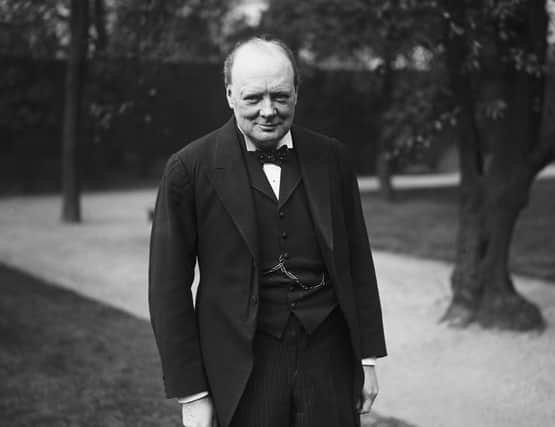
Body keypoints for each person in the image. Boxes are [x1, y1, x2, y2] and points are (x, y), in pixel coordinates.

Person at [149, 36, 387, 427]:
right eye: (253, 98)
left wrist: (366, 358)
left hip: (328, 359)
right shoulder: (188, 169)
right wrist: (191, 393)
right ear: (229, 95)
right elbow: (167, 289)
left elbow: (357, 262)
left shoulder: (332, 158)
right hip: (241, 368)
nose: (268, 111)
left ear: (297, 92)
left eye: (280, 96)